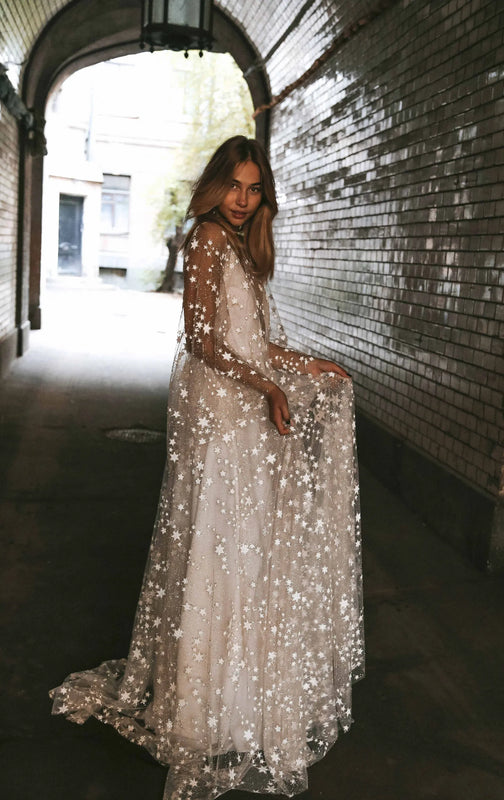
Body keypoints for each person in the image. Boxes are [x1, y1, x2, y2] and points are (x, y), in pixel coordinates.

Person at [50, 136, 364, 800]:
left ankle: (236, 691)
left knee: (241, 545)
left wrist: (305, 368)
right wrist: (271, 388)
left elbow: (251, 340)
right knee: (218, 540)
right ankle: (200, 704)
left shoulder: (243, 250)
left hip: (240, 401)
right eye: (235, 187)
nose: (244, 201)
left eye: (255, 190)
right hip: (218, 413)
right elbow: (201, 339)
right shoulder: (205, 241)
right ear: (215, 187)